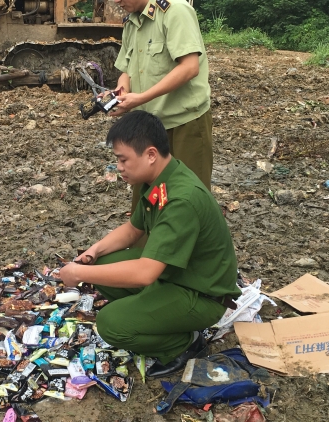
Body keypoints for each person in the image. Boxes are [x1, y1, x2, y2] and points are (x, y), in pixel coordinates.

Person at [59, 111, 240, 378]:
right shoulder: (162, 178)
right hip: (179, 276)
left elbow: (145, 273)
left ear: (151, 154)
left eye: (123, 160)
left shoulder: (181, 200)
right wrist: (93, 252)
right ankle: (156, 314)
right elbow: (133, 230)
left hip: (202, 295)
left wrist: (79, 273)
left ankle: (183, 344)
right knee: (106, 263)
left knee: (111, 324)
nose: (119, 167)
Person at [108, 0, 213, 211]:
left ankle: (188, 243)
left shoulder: (175, 11)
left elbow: (190, 67)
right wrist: (122, 93)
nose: (116, 1)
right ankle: (150, 243)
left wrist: (141, 97)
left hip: (184, 123)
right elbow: (126, 69)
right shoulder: (132, 20)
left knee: (189, 199)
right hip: (148, 126)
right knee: (147, 202)